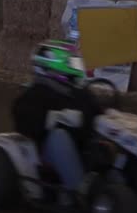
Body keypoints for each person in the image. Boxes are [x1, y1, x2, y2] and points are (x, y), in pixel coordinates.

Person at [11, 41, 106, 200]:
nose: (76, 66)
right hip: (46, 153)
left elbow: (97, 113)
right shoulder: (34, 94)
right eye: (72, 62)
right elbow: (26, 125)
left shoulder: (80, 93)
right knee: (59, 136)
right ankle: (77, 191)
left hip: (81, 146)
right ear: (53, 65)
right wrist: (55, 118)